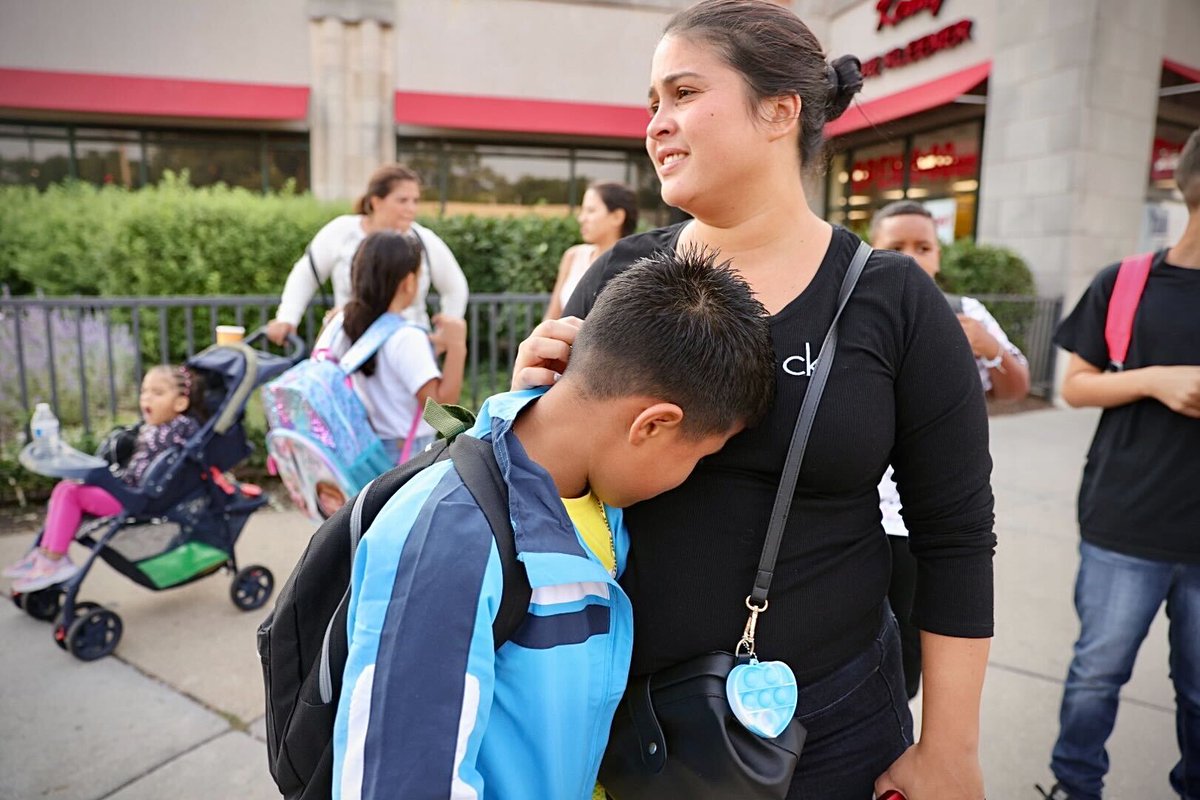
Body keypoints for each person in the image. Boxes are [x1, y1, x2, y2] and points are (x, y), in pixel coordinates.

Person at [512, 2, 995, 797]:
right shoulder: (620, 277)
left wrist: (950, 749)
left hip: (833, 725)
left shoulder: (895, 299)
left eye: (682, 93)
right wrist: (529, 408)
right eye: (652, 103)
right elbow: (543, 495)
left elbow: (957, 535)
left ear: (780, 110)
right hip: (617, 720)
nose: (657, 124)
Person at [332, 248, 776, 799]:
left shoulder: (593, 499)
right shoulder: (448, 540)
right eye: (700, 457)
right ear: (653, 425)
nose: (692, 477)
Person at [1036, 128, 1200, 800]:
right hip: (1123, 525)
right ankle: (1076, 788)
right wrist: (1156, 380)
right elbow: (1074, 383)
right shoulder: (1127, 282)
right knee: (1096, 675)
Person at [870, 199, 1030, 701]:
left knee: (909, 654)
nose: (912, 258)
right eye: (896, 247)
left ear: (939, 256)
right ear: (872, 249)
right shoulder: (856, 309)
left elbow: (1016, 387)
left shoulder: (965, 314)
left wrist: (990, 347)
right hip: (860, 515)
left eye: (924, 247)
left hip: (926, 522)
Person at [5, 365, 208, 592]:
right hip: (127, 488)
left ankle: (54, 559)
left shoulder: (180, 428)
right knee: (65, 489)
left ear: (180, 404)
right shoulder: (154, 426)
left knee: (70, 493)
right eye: (144, 391)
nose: (146, 398)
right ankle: (44, 555)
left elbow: (175, 456)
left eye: (157, 393)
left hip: (138, 498)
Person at [265, 163, 468, 344]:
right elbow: (305, 275)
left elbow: (456, 287)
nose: (411, 208)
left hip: (408, 349)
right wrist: (287, 317)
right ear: (376, 201)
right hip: (349, 345)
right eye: (403, 200)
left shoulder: (424, 239)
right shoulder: (342, 231)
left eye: (415, 200)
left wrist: (445, 334)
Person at [314, 230, 467, 467]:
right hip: (401, 456)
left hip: (355, 451)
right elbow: (442, 415)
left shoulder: (339, 322)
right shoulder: (406, 337)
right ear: (408, 282)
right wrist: (457, 347)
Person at [543, 181, 639, 321]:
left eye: (591, 211)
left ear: (617, 216)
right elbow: (552, 317)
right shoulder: (573, 256)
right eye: (582, 210)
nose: (581, 218)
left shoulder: (636, 264)